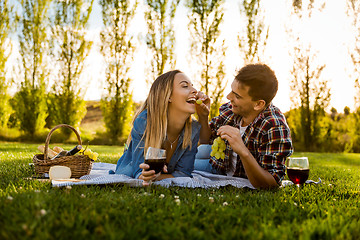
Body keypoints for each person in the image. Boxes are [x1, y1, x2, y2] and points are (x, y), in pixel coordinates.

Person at [195, 63, 293, 189]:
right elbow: (204, 140)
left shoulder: (274, 127)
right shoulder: (231, 110)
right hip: (219, 164)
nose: (228, 97)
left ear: (258, 104)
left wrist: (242, 150)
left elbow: (272, 183)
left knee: (181, 166)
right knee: (187, 155)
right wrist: (203, 116)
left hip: (230, 173)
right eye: (232, 91)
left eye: (237, 96)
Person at [112, 70, 201, 186]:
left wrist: (158, 177)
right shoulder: (144, 122)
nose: (195, 90)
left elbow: (184, 174)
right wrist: (144, 175)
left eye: (192, 86)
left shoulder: (194, 128)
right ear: (168, 96)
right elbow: (138, 171)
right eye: (185, 86)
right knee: (128, 172)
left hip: (162, 173)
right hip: (129, 167)